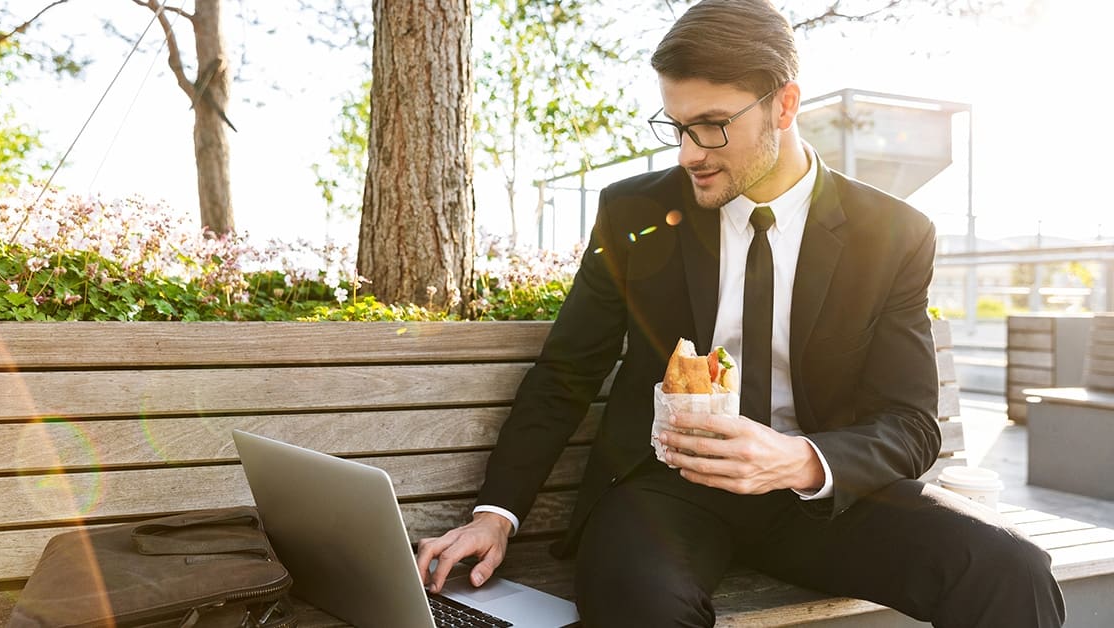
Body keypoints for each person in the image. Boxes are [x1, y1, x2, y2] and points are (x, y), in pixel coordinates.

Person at [415, 1, 1066, 625]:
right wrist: (496, 513)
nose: (689, 153)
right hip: (665, 491)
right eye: (676, 126)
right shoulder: (634, 212)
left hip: (820, 494)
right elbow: (565, 374)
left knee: (1013, 569)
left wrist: (801, 460)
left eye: (712, 125)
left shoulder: (894, 234)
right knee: (639, 607)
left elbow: (911, 422)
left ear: (785, 104)